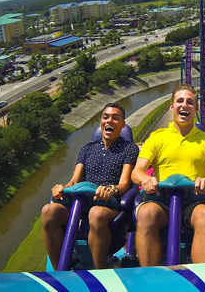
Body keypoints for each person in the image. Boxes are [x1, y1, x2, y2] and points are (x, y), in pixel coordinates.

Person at [131, 83, 205, 265]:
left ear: (196, 109)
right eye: (180, 101)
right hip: (162, 200)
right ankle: (150, 275)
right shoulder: (157, 137)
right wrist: (146, 180)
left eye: (190, 102)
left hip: (195, 199)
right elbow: (137, 172)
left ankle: (203, 278)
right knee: (145, 213)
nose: (184, 105)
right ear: (171, 106)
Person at [41, 102, 139, 270]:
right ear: (101, 122)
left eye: (116, 118)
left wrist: (111, 190)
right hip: (81, 201)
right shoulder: (86, 149)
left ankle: (98, 270)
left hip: (108, 202)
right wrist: (62, 188)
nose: (110, 121)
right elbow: (74, 181)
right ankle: (60, 271)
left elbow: (124, 183)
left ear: (123, 125)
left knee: (96, 213)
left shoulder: (129, 148)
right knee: (48, 211)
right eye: (106, 117)